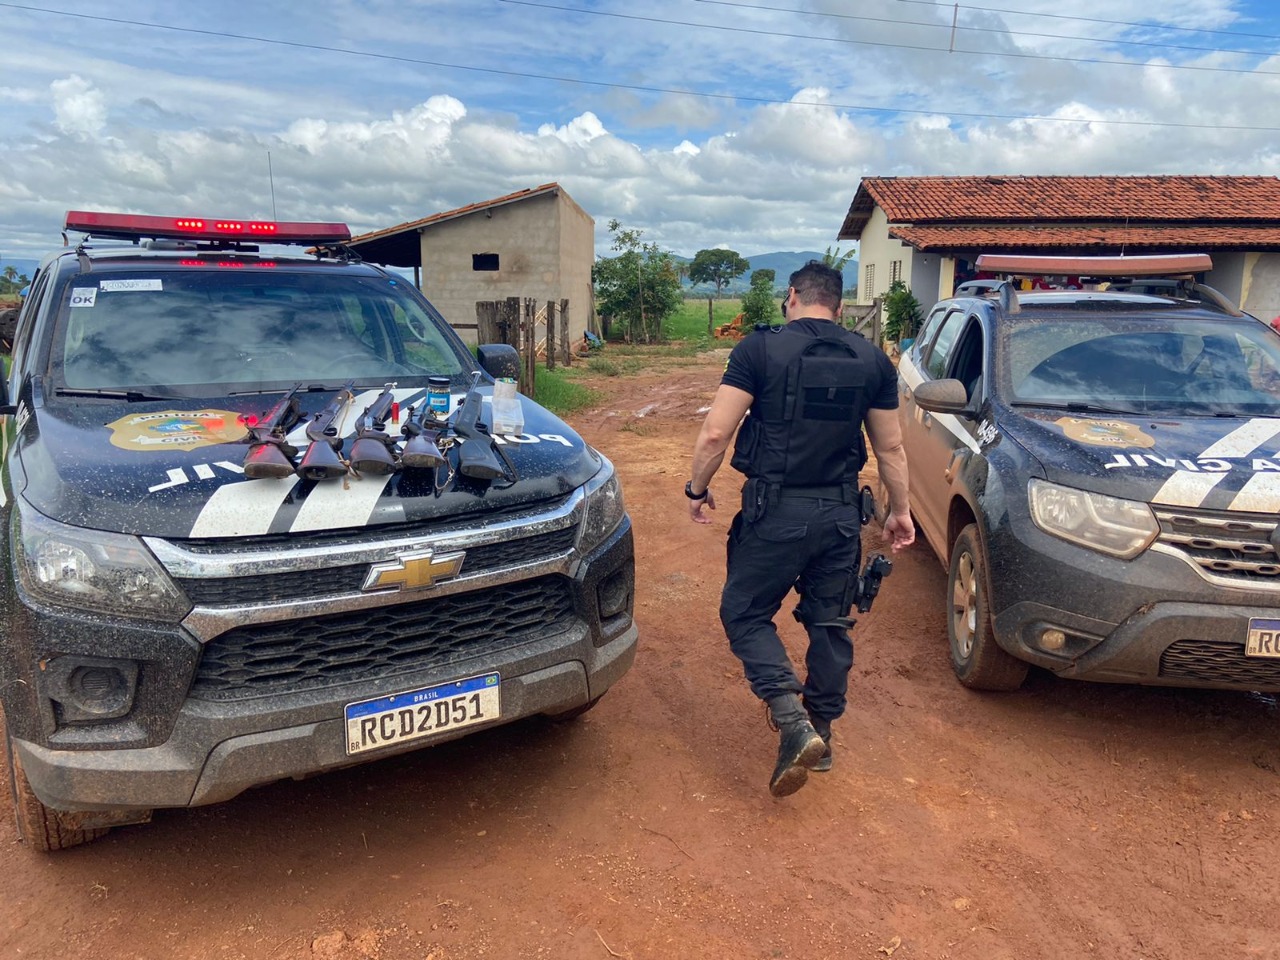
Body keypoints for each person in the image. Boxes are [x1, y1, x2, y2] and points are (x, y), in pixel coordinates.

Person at [687, 260, 914, 798]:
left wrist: (697, 489)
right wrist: (899, 511)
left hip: (774, 514)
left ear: (792, 297)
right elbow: (890, 448)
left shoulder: (758, 350)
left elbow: (717, 434)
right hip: (841, 516)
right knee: (831, 623)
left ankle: (791, 720)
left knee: (743, 612)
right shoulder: (873, 359)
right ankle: (824, 733)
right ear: (838, 304)